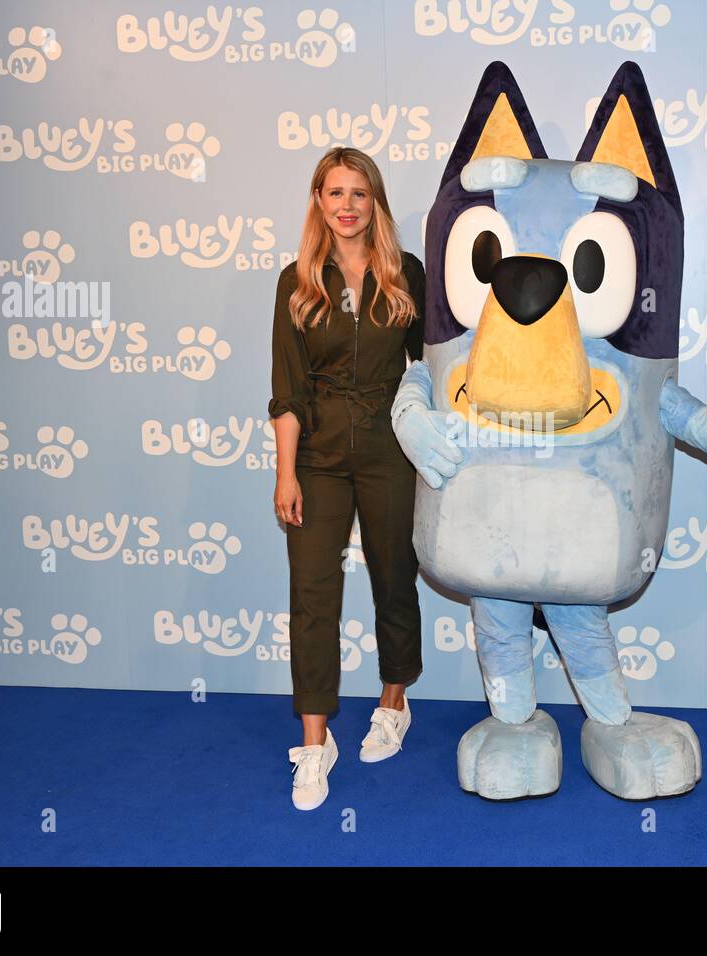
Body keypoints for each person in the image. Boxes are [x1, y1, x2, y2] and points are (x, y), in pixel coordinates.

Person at [269, 146, 435, 811]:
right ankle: (315, 741)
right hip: (316, 457)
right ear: (318, 201)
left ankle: (395, 699)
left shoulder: (408, 275)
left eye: (358, 193)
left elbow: (428, 372)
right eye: (334, 192)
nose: (346, 205)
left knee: (395, 576)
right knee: (312, 595)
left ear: (375, 203)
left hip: (391, 450)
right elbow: (286, 388)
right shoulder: (297, 281)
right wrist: (287, 472)